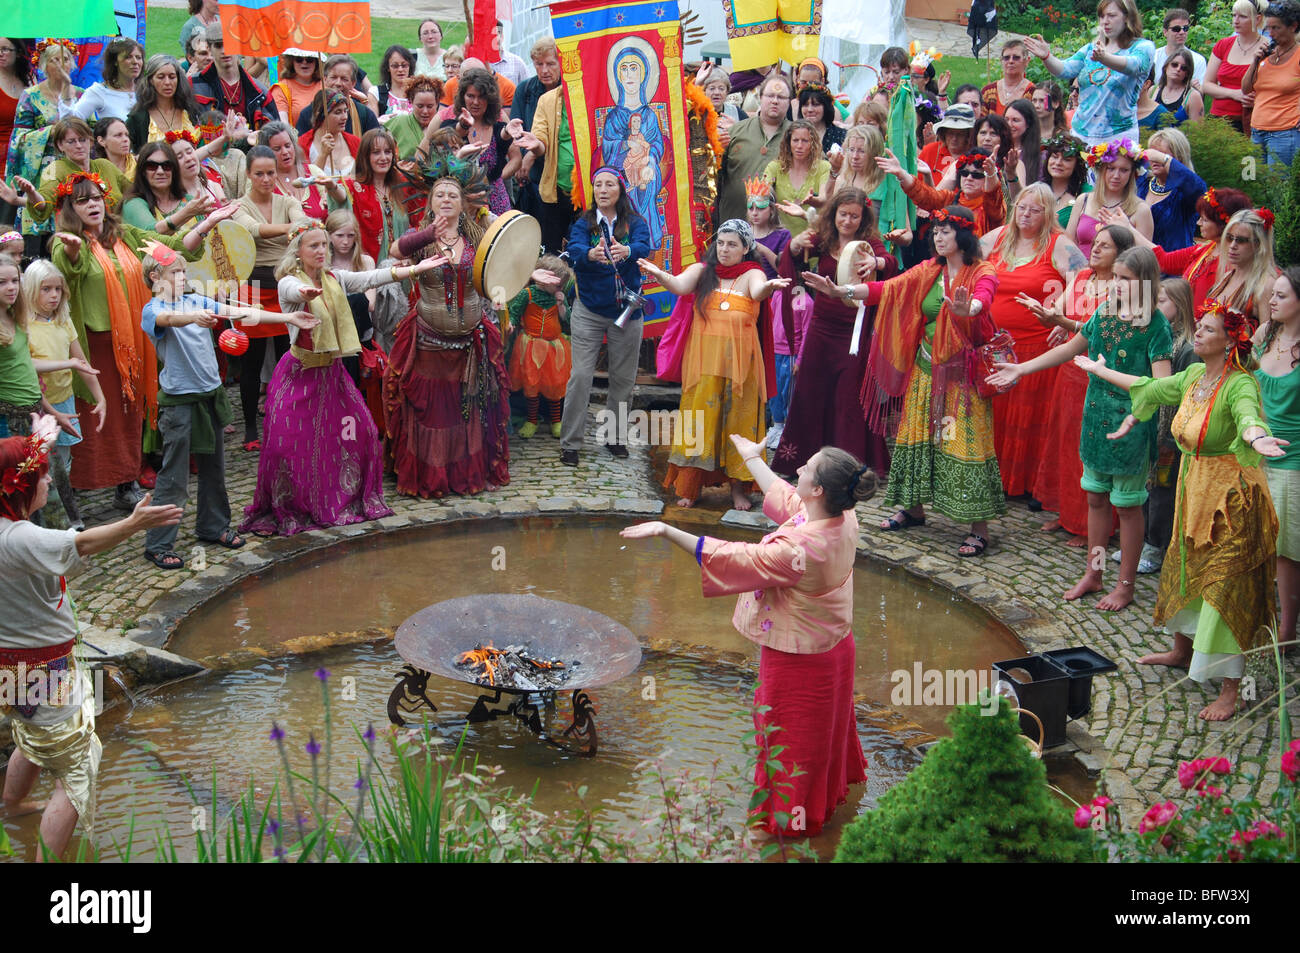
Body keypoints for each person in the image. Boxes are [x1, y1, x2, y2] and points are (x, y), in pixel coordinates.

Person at [619, 439, 873, 837]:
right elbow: (788, 498)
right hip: (835, 646)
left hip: (800, 660)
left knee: (788, 742)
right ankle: (819, 808)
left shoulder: (800, 549)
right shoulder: (841, 516)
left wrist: (667, 530)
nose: (799, 472)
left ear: (820, 489)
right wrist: (753, 458)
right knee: (820, 735)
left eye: (807, 468)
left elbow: (735, 556)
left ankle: (782, 829)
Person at [1076, 300, 1284, 719]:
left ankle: (1231, 687)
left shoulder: (1239, 383)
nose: (1198, 334)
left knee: (1225, 585)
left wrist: (1257, 436)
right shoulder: (1193, 375)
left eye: (1207, 329)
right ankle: (1180, 651)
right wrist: (1098, 370)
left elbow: (1247, 416)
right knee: (1185, 565)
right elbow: (1148, 387)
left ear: (1229, 343)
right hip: (1193, 489)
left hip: (1231, 500)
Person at [0, 415, 182, 860]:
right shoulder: (19, 538)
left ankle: (12, 805)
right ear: (24, 487)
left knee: (31, 732)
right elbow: (80, 545)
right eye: (44, 475)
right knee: (78, 768)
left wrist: (41, 436)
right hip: (45, 669)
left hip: (11, 669)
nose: (48, 482)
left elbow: (16, 468)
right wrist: (134, 525)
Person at [813, 204, 1006, 557]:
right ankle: (914, 510)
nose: (939, 236)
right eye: (935, 231)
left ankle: (979, 528)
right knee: (915, 434)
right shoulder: (927, 271)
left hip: (962, 376)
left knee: (963, 442)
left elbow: (984, 298)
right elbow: (888, 290)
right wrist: (843, 292)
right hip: (924, 368)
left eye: (946, 230)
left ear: (964, 235)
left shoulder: (983, 270)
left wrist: (970, 310)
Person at [992, 246, 1172, 613]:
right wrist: (1021, 369)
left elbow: (1162, 385)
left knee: (1128, 508)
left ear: (1145, 283)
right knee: (1095, 497)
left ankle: (1125, 585)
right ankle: (1095, 573)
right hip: (1095, 418)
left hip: (1131, 426)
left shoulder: (1156, 327)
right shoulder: (1105, 313)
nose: (1117, 285)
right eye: (1116, 278)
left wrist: (1137, 416)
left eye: (1126, 280)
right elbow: (1073, 349)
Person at [50, 170, 233, 507]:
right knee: (94, 415)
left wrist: (205, 224)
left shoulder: (125, 235)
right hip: (96, 344)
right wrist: (75, 252)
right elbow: (68, 268)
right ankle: (73, 489)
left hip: (134, 340)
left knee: (130, 414)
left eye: (96, 198)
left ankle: (125, 484)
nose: (92, 205)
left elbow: (172, 249)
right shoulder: (65, 242)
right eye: (82, 200)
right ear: (69, 208)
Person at [138, 243, 316, 568]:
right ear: (155, 277)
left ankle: (213, 525)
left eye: (183, 271)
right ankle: (159, 543)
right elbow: (166, 319)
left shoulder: (195, 299)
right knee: (174, 477)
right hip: (179, 405)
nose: (183, 277)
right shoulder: (152, 309)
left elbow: (242, 312)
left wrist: (288, 315)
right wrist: (194, 317)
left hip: (210, 397)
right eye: (176, 272)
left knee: (215, 469)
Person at [241, 221, 423, 534]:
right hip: (299, 373)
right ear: (298, 251)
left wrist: (413, 270)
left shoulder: (335, 278)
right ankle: (294, 504)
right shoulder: (289, 281)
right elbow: (288, 290)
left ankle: (335, 497)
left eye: (324, 245)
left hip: (332, 374)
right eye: (314, 246)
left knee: (359, 432)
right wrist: (303, 292)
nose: (322, 251)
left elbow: (370, 277)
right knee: (287, 445)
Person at [383, 170, 520, 497]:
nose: (446, 199)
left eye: (452, 195)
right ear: (431, 202)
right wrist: (427, 233)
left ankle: (463, 475)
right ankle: (432, 477)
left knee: (468, 410)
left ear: (462, 204)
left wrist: (507, 303)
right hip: (428, 342)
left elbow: (502, 271)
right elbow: (394, 252)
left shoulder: (476, 238)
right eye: (440, 194)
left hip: (471, 342)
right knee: (434, 414)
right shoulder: (420, 238)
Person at [640, 219, 786, 509]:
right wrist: (659, 274)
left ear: (746, 248)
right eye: (720, 242)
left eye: (732, 244)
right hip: (703, 365)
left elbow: (757, 292)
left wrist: (768, 287)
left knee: (739, 425)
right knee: (700, 423)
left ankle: (738, 490)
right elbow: (680, 286)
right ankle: (690, 487)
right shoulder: (703, 271)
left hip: (742, 369)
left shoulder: (752, 273)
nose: (724, 248)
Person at [773, 188, 895, 477]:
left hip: (854, 331)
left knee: (849, 394)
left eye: (855, 216)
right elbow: (793, 261)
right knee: (810, 388)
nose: (848, 221)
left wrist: (876, 262)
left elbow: (890, 264)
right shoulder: (822, 237)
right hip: (822, 326)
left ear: (863, 217)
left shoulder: (870, 243)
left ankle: (849, 465)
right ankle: (799, 459)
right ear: (834, 213)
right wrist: (794, 246)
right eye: (843, 214)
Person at [1028, 223, 1136, 544]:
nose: (1095, 249)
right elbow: (1058, 311)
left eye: (1105, 246)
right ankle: (1065, 514)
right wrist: (1048, 316)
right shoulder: (1083, 278)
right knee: (1065, 442)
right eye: (1095, 243)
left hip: (1101, 377)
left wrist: (1065, 324)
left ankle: (1089, 526)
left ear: (1121, 255)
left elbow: (1099, 331)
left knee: (1090, 449)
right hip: (1069, 372)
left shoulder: (1121, 289)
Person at [980, 183, 1089, 499]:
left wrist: (1058, 311)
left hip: (1036, 347)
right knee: (995, 414)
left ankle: (1028, 485)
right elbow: (966, 262)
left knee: (1031, 419)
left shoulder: (1057, 244)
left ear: (1048, 214)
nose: (1025, 215)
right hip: (994, 345)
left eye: (1035, 210)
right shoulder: (999, 238)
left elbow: (1082, 279)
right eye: (1021, 208)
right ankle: (991, 476)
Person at [558, 168, 651, 466]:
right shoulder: (584, 224)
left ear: (620, 190)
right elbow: (573, 251)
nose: (603, 189)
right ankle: (570, 443)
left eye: (609, 184)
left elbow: (644, 245)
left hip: (626, 312)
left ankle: (615, 438)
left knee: (623, 380)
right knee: (581, 376)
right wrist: (588, 255)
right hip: (589, 310)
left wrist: (628, 250)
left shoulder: (634, 222)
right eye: (598, 184)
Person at [20, 260, 105, 529]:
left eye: (58, 289)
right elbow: (28, 368)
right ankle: (44, 516)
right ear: (32, 289)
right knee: (40, 461)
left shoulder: (62, 321)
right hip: (38, 405)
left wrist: (100, 397)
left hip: (64, 398)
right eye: (46, 289)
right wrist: (66, 364)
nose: (54, 295)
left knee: (64, 462)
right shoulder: (24, 326)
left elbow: (81, 363)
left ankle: (61, 512)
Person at [1025, 0, 1156, 147]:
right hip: (1082, 133)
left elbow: (1133, 66)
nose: (1105, 21)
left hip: (1118, 136)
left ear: (1127, 17)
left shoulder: (1143, 47)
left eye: (1111, 16)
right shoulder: (1090, 49)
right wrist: (1046, 56)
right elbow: (1064, 69)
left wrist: (1104, 57)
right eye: (1102, 16)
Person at [1254, 267, 1300, 654]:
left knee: (1287, 549)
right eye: (1273, 294)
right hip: (1256, 450)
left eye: (1282, 296)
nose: (1272, 301)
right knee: (1256, 540)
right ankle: (1258, 616)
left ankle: (1288, 629)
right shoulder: (1263, 334)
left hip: (1292, 460)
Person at [1129, 186, 1254, 314]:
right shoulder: (1204, 250)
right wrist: (1129, 228)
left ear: (1223, 224)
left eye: (1204, 219)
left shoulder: (1234, 262)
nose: (1199, 223)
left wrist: (1129, 228)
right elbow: (1164, 261)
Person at [6, 40, 82, 238]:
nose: (61, 64)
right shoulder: (30, 96)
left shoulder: (81, 95)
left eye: (65, 59)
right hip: (41, 170)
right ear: (43, 65)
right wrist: (51, 131)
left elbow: (90, 130)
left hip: (74, 168)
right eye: (54, 60)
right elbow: (19, 139)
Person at [506, 254, 573, 440]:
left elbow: (567, 320)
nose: (560, 289)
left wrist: (561, 306)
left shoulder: (559, 297)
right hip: (531, 347)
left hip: (554, 348)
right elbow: (514, 312)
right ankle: (532, 420)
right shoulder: (527, 294)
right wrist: (510, 323)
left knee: (555, 386)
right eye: (558, 284)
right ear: (544, 280)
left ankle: (556, 420)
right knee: (531, 385)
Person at [716, 73, 793, 225]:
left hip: (778, 231)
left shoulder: (797, 136)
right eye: (770, 96)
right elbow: (713, 174)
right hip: (734, 226)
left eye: (781, 97)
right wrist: (718, 152)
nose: (775, 101)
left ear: (789, 102)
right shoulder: (736, 131)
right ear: (760, 98)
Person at [877, 146, 1005, 236]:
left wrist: (991, 174)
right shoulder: (950, 199)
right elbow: (926, 195)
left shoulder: (992, 208)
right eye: (965, 173)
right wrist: (902, 174)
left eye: (977, 175)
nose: (969, 178)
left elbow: (993, 198)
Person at [440, 69, 513, 215]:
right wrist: (465, 125)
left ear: (490, 99)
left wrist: (508, 132)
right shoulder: (449, 125)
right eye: (470, 96)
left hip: (495, 199)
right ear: (463, 97)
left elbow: (505, 140)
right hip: (460, 201)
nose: (475, 102)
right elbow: (451, 137)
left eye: (481, 97)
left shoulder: (497, 127)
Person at [1067, 138, 1153, 260]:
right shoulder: (1083, 200)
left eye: (1124, 170)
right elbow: (1069, 246)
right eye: (1111, 168)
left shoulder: (1141, 210)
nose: (1116, 176)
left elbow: (1144, 259)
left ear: (1132, 173)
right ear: (1101, 170)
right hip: (1080, 275)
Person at [1241, 0, 1300, 167]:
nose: (1270, 33)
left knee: (1277, 187)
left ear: (1293, 27)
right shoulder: (1266, 55)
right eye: (1268, 28)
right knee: (1254, 182)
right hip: (1257, 131)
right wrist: (1255, 61)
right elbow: (1246, 89)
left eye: (1276, 28)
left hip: (1285, 133)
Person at [191, 24, 277, 129]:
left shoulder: (260, 92)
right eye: (218, 45)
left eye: (229, 44)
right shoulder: (193, 85)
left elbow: (274, 135)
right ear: (209, 48)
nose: (224, 51)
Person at [1202, 0, 1269, 134]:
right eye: (1234, 15)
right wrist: (1234, 94)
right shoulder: (1223, 44)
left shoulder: (1267, 48)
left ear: (1257, 19)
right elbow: (1207, 85)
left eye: (1242, 16)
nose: (1236, 20)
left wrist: (1257, 100)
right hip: (1218, 119)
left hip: (1250, 121)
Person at [1137, 130, 1206, 253]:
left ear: (1178, 157)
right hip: (1138, 263)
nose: (1154, 159)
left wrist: (1162, 159)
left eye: (1162, 154)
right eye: (1152, 154)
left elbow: (1199, 188)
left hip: (1173, 266)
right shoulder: (1142, 183)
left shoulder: (1185, 191)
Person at [121, 140, 210, 234]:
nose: (160, 171)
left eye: (166, 165)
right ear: (142, 171)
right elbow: (151, 235)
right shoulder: (133, 203)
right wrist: (186, 213)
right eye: (152, 166)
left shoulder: (189, 201)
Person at [766, 120, 831, 236]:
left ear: (813, 143)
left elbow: (824, 199)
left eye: (805, 141)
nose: (799, 146)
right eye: (795, 140)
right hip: (782, 239)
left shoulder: (824, 167)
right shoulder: (775, 167)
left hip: (814, 237)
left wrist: (813, 201)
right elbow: (762, 193)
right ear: (788, 142)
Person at [125, 54, 201, 151]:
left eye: (172, 77)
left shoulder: (190, 109)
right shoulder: (138, 117)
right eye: (161, 77)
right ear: (151, 80)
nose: (167, 82)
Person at [257, 120, 327, 222]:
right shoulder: (261, 182)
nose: (285, 152)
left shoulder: (313, 171)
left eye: (287, 145)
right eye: (277, 149)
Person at [292, 55, 377, 137]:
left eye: (344, 79)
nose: (338, 83)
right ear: (325, 79)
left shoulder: (364, 114)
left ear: (353, 83)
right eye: (333, 77)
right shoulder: (308, 114)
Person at [71, 37, 142, 122]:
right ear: (115, 61)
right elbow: (72, 120)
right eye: (128, 57)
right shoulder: (99, 92)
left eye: (138, 57)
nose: (135, 62)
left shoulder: (147, 90)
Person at [301, 89, 359, 177]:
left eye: (345, 111)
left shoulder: (355, 142)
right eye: (338, 112)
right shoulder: (303, 145)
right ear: (319, 115)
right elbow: (307, 185)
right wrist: (323, 155)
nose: (345, 117)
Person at [388, 76, 444, 162]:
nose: (425, 111)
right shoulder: (399, 123)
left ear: (437, 103)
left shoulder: (444, 127)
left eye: (430, 106)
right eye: (420, 106)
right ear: (411, 101)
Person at [1041, 134, 1091, 228]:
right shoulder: (1038, 189)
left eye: (1066, 159)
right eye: (1055, 157)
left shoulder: (1087, 193)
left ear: (1077, 165)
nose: (1058, 163)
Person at [918, 103, 976, 185]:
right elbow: (916, 184)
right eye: (950, 133)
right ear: (943, 133)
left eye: (960, 134)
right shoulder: (929, 151)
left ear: (968, 135)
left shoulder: (976, 155)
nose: (954, 138)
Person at [0, 38, 30, 190]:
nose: (0, 54)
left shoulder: (30, 81)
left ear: (18, 53)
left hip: (22, 159)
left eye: (5, 49)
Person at [269, 49, 323, 128]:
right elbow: (283, 125)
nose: (304, 62)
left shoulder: (326, 84)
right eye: (299, 59)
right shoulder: (281, 89)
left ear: (316, 62)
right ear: (291, 62)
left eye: (309, 59)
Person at [1150, 49, 1205, 127]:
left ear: (1187, 73)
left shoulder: (1193, 96)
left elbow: (1197, 131)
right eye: (1174, 65)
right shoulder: (1152, 91)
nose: (1178, 69)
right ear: (1166, 66)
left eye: (1183, 68)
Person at [981, 40, 1036, 116]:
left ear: (1026, 61)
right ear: (1001, 61)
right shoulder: (988, 92)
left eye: (1016, 58)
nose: (1011, 61)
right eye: (1006, 58)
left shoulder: (1033, 92)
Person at [1153, 8, 1208, 82]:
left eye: (1185, 28)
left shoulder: (1198, 60)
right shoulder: (1154, 57)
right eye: (1176, 29)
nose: (1182, 32)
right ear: (1165, 32)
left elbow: (1199, 90)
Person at [369, 46, 416, 119]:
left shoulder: (419, 92)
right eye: (395, 66)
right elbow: (372, 126)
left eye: (404, 65)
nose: (400, 69)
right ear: (388, 68)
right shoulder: (375, 93)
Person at [798, 84, 844, 154]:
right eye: (805, 105)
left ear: (826, 107)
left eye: (816, 104)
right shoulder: (794, 134)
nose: (810, 109)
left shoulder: (841, 135)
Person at [93, 117, 135, 182]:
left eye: (126, 135)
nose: (125, 139)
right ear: (101, 141)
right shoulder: (95, 172)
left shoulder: (141, 165)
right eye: (118, 135)